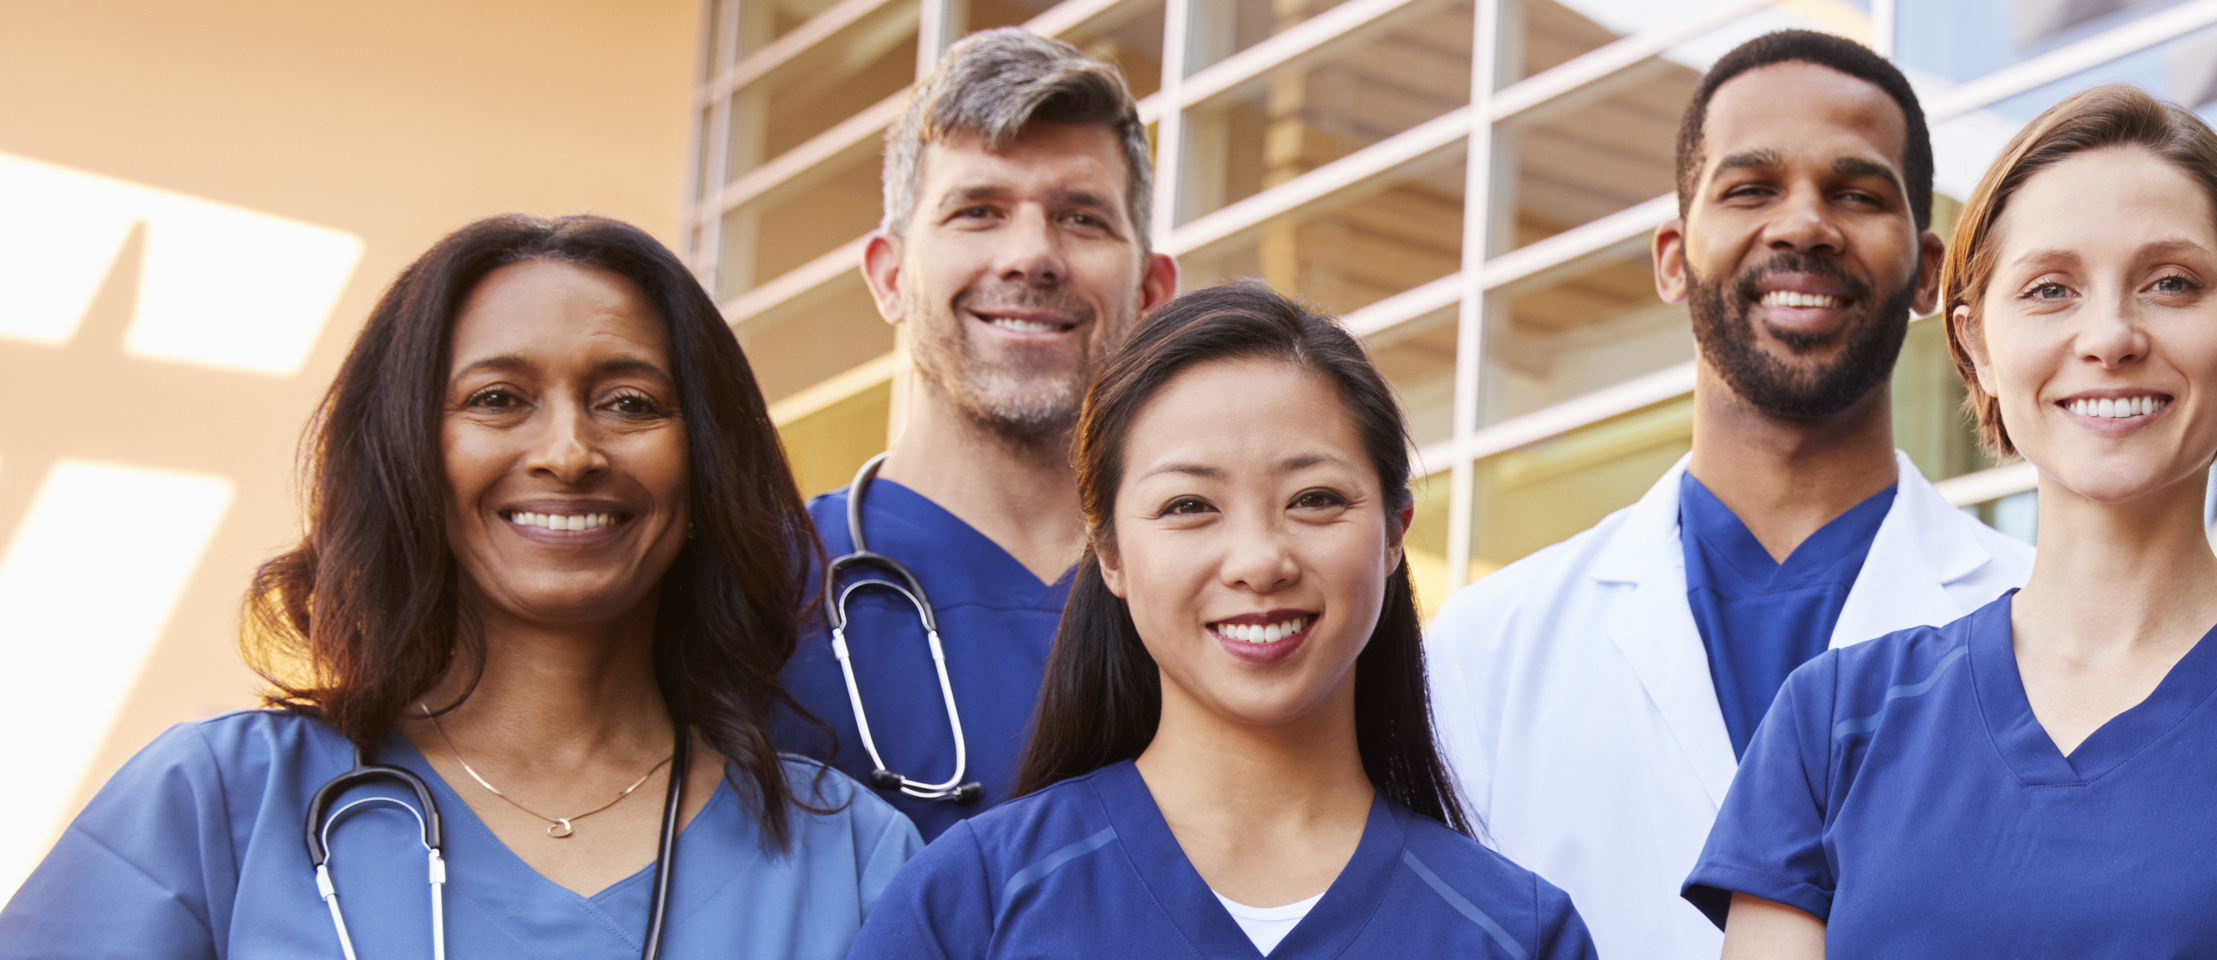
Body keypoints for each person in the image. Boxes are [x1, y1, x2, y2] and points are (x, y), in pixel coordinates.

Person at [1685, 84, 2217, 959]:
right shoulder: (1833, 723)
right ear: (1978, 346)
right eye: (2051, 289)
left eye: (2171, 283)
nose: (2110, 336)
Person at [0, 215, 918, 958]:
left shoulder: (848, 855)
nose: (568, 452)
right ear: (406, 457)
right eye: (496, 399)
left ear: (706, 462)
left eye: (630, 402)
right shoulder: (220, 804)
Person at [1423, 29, 2032, 960]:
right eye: (1750, 189)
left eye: (1857, 193)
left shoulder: (2043, 627)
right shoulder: (1484, 655)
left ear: (1926, 270)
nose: (1803, 226)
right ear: (1672, 256)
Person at [851, 281, 1595, 959]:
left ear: (1395, 533)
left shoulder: (1517, 933)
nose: (1258, 560)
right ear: (1108, 552)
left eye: (1314, 498)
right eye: (1188, 506)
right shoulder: (972, 902)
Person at [777, 28, 1178, 838]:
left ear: (1152, 293)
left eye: (1081, 218)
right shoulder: (754, 588)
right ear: (891, 277)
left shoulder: (1213, 590)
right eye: (978, 211)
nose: (1031, 255)